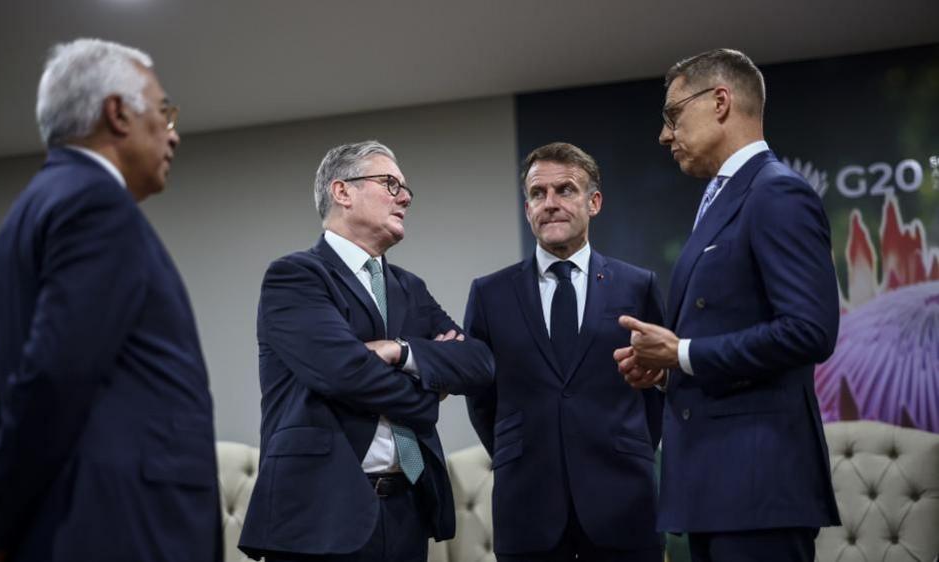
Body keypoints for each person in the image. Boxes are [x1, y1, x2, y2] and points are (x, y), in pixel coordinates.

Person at [0, 38, 221, 562]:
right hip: (122, 528)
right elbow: (54, 374)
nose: (173, 134)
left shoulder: (21, 220)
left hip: (59, 526)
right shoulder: (97, 204)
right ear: (117, 113)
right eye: (164, 112)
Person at [614, 48, 840, 562]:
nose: (664, 135)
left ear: (720, 101)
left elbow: (810, 330)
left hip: (758, 490)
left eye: (673, 115)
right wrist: (670, 370)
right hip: (715, 490)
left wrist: (684, 354)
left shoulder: (777, 193)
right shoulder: (725, 195)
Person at [237, 140, 495, 562]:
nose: (406, 197)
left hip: (407, 510)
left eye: (405, 189)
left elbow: (479, 363)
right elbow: (345, 373)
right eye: (390, 183)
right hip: (320, 514)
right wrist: (428, 393)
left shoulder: (408, 287)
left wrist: (401, 351)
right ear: (343, 192)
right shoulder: (296, 276)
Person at [466, 142, 665, 561]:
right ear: (527, 209)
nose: (550, 203)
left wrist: (630, 447)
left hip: (623, 502)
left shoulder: (637, 285)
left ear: (594, 202)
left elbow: (657, 388)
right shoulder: (489, 294)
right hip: (527, 506)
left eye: (565, 190)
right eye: (538, 194)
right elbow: (482, 397)